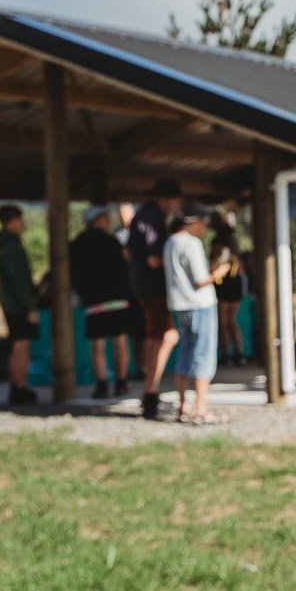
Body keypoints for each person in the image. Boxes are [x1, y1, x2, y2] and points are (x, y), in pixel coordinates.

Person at [164, 201, 232, 425]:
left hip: (179, 306)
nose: (204, 228)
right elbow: (200, 280)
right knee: (203, 357)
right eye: (203, 223)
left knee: (185, 354)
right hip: (200, 306)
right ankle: (201, 409)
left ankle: (183, 406)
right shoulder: (191, 243)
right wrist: (220, 272)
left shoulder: (170, 242)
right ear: (194, 222)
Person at [127, 179, 184, 420]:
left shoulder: (144, 216)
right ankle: (151, 392)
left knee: (158, 338)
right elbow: (153, 259)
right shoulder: (152, 219)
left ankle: (151, 391)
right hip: (154, 289)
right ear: (167, 199)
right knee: (163, 338)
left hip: (146, 288)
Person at [70, 204, 138, 398]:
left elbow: (73, 273)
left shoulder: (77, 243)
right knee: (120, 341)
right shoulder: (112, 242)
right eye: (106, 217)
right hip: (117, 298)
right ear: (97, 219)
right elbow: (126, 266)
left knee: (97, 344)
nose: (109, 221)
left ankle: (101, 384)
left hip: (93, 300)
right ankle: (121, 382)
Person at [0, 204, 40, 406]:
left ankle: (18, 386)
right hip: (17, 306)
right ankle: (19, 387)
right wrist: (29, 306)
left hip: (12, 304)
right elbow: (19, 281)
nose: (23, 223)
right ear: (11, 222)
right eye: (20, 219)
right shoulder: (11, 248)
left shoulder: (8, 245)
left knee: (18, 345)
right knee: (21, 346)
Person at [208, 209, 248, 364]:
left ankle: (228, 354)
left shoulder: (218, 241)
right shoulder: (232, 239)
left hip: (224, 283)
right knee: (231, 320)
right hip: (233, 282)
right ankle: (238, 353)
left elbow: (216, 264)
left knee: (224, 321)